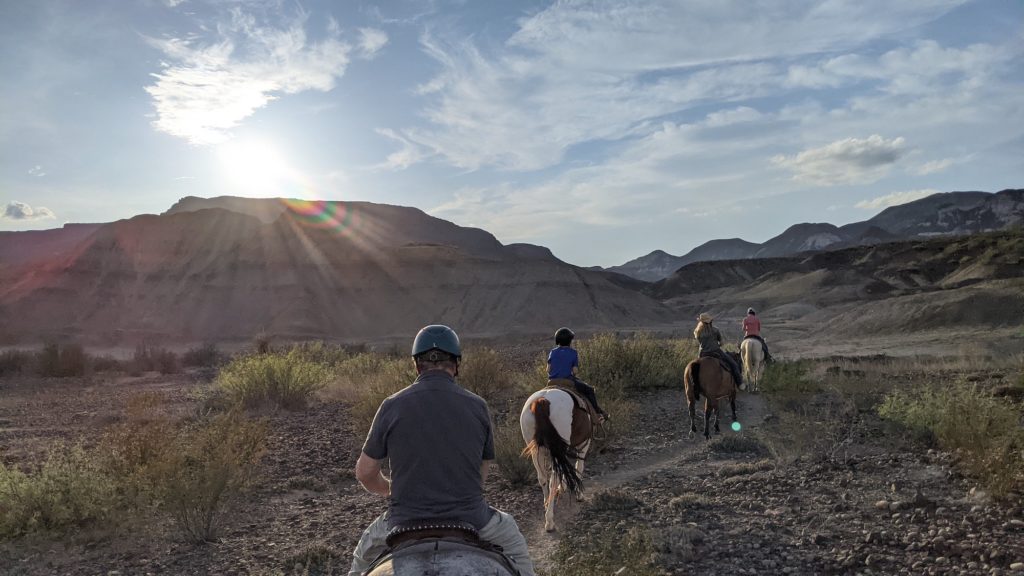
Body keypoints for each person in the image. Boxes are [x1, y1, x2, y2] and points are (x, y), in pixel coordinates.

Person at [349, 325, 535, 576]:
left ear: (417, 365)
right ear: (456, 364)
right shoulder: (477, 406)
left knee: (360, 561)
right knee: (515, 544)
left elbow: (365, 472)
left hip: (402, 520)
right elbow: (480, 476)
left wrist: (394, 488)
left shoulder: (391, 405)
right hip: (473, 518)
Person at [547, 327, 610, 422]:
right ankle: (597, 414)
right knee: (589, 390)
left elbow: (548, 369)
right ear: (569, 341)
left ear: (557, 340)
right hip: (567, 381)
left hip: (552, 382)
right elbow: (575, 371)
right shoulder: (573, 353)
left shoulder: (553, 352)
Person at [693, 312, 744, 390]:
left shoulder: (697, 332)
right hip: (715, 352)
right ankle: (740, 383)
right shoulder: (715, 330)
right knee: (733, 364)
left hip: (702, 354)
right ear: (710, 321)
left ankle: (695, 385)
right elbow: (721, 343)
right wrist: (716, 345)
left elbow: (700, 343)